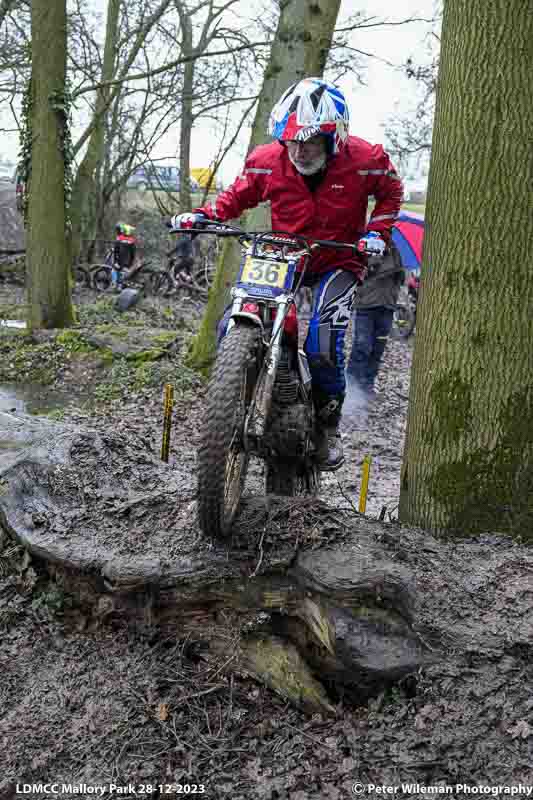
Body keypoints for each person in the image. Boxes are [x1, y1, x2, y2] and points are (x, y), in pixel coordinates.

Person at [171, 77, 403, 470]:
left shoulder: (367, 161)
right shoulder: (267, 160)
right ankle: (235, 396)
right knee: (239, 316)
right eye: (291, 141)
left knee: (323, 341)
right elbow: (239, 194)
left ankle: (328, 426)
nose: (299, 150)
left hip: (339, 258)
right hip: (284, 253)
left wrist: (377, 232)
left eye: (309, 143)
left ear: (335, 138)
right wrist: (204, 216)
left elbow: (392, 191)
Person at [346, 244, 405, 402]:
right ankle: (350, 387)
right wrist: (376, 262)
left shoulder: (396, 252)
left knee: (377, 350)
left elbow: (400, 279)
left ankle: (367, 387)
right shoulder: (368, 247)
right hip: (366, 305)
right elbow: (359, 272)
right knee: (362, 346)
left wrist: (398, 272)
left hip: (387, 307)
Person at [112, 222, 137, 289]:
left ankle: (115, 285)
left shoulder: (119, 239)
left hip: (120, 260)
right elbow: (133, 254)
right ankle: (121, 286)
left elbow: (116, 251)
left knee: (114, 270)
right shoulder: (132, 241)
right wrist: (131, 262)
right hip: (128, 261)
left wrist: (115, 261)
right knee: (123, 273)